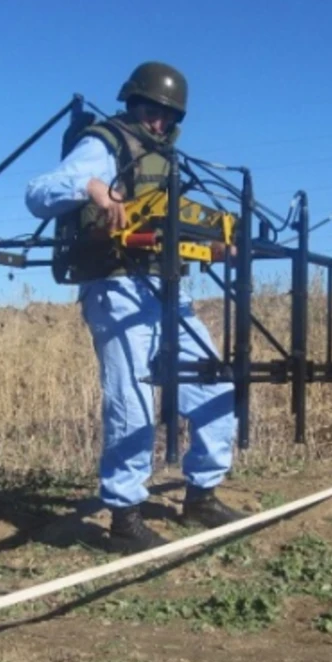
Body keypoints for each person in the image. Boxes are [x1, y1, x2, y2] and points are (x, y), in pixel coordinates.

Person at [25, 61, 246, 553]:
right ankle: (123, 515)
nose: (159, 123)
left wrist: (215, 245)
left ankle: (202, 495)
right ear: (133, 104)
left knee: (215, 381)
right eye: (151, 111)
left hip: (166, 287)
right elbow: (38, 194)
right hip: (115, 286)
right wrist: (93, 189)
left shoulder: (168, 162)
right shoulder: (105, 145)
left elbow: (173, 228)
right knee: (132, 399)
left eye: (169, 116)